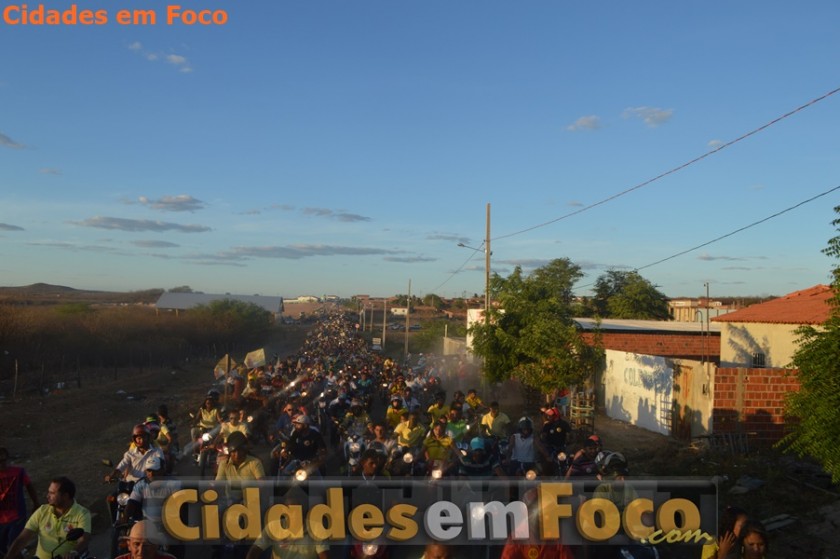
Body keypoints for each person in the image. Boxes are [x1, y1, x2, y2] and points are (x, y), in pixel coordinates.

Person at [5, 476, 91, 559]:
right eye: (48, 492)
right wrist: (8, 557)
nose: (47, 496)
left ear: (65, 496)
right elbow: (23, 538)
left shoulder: (82, 514)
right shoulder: (42, 511)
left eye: (52, 493)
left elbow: (84, 539)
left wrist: (73, 552)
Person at [0, 448, 39, 556]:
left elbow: (29, 486)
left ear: (8, 459)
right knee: (3, 548)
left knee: (13, 544)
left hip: (17, 515)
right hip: (1, 518)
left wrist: (36, 503)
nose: (2, 463)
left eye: (4, 460)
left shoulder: (18, 472)